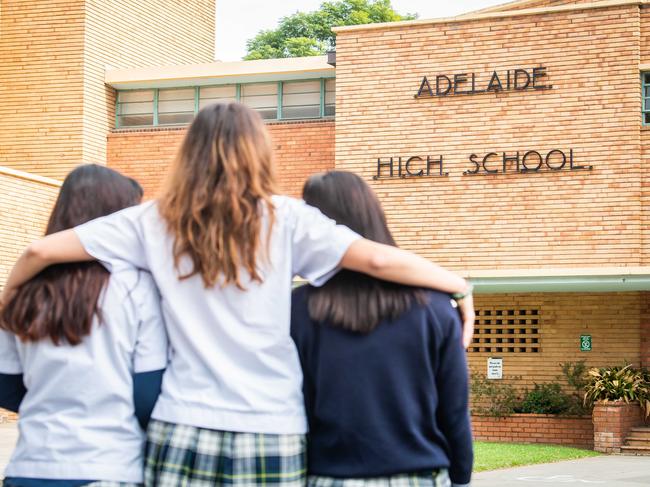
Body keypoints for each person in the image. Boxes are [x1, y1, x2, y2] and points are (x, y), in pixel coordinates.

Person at [0, 102, 474, 486]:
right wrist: (458, 284)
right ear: (258, 152)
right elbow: (376, 260)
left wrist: (6, 303)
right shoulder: (287, 218)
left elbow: (40, 250)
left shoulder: (151, 220)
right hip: (272, 426)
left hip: (182, 423)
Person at [291, 171, 473, 487]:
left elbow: (297, 406)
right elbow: (454, 410)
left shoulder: (299, 309)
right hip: (419, 476)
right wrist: (461, 478)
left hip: (329, 476)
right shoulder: (438, 307)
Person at [0, 165, 168, 487]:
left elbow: (6, 385)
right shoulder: (136, 287)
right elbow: (147, 391)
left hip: (31, 467)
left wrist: (56, 397)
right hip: (109, 467)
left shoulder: (25, 288)